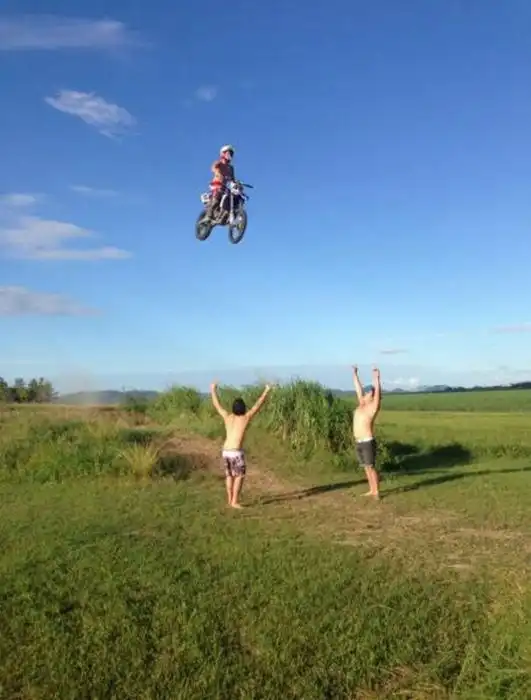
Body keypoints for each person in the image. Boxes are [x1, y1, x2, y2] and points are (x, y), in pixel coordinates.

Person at [210, 381, 272, 509]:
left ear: (233, 408)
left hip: (226, 450)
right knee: (239, 476)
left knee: (229, 475)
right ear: (243, 408)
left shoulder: (227, 416)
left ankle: (229, 500)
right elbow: (257, 405)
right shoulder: (245, 418)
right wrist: (266, 390)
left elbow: (217, 405)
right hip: (236, 452)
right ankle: (234, 501)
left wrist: (213, 389)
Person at [352, 366, 382, 499]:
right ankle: (371, 489)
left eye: (368, 393)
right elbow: (358, 388)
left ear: (372, 397)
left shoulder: (372, 407)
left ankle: (376, 492)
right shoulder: (361, 404)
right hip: (358, 441)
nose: (365, 394)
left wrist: (376, 379)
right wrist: (355, 374)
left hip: (367, 441)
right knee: (365, 467)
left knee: (370, 466)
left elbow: (377, 395)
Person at [207, 144, 236, 218]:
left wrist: (236, 184)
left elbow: (233, 178)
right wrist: (217, 172)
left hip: (225, 186)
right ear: (223, 153)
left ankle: (225, 213)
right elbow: (213, 167)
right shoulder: (219, 162)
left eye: (231, 154)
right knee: (218, 195)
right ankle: (209, 213)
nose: (230, 155)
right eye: (228, 153)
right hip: (216, 184)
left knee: (231, 196)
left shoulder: (231, 168)